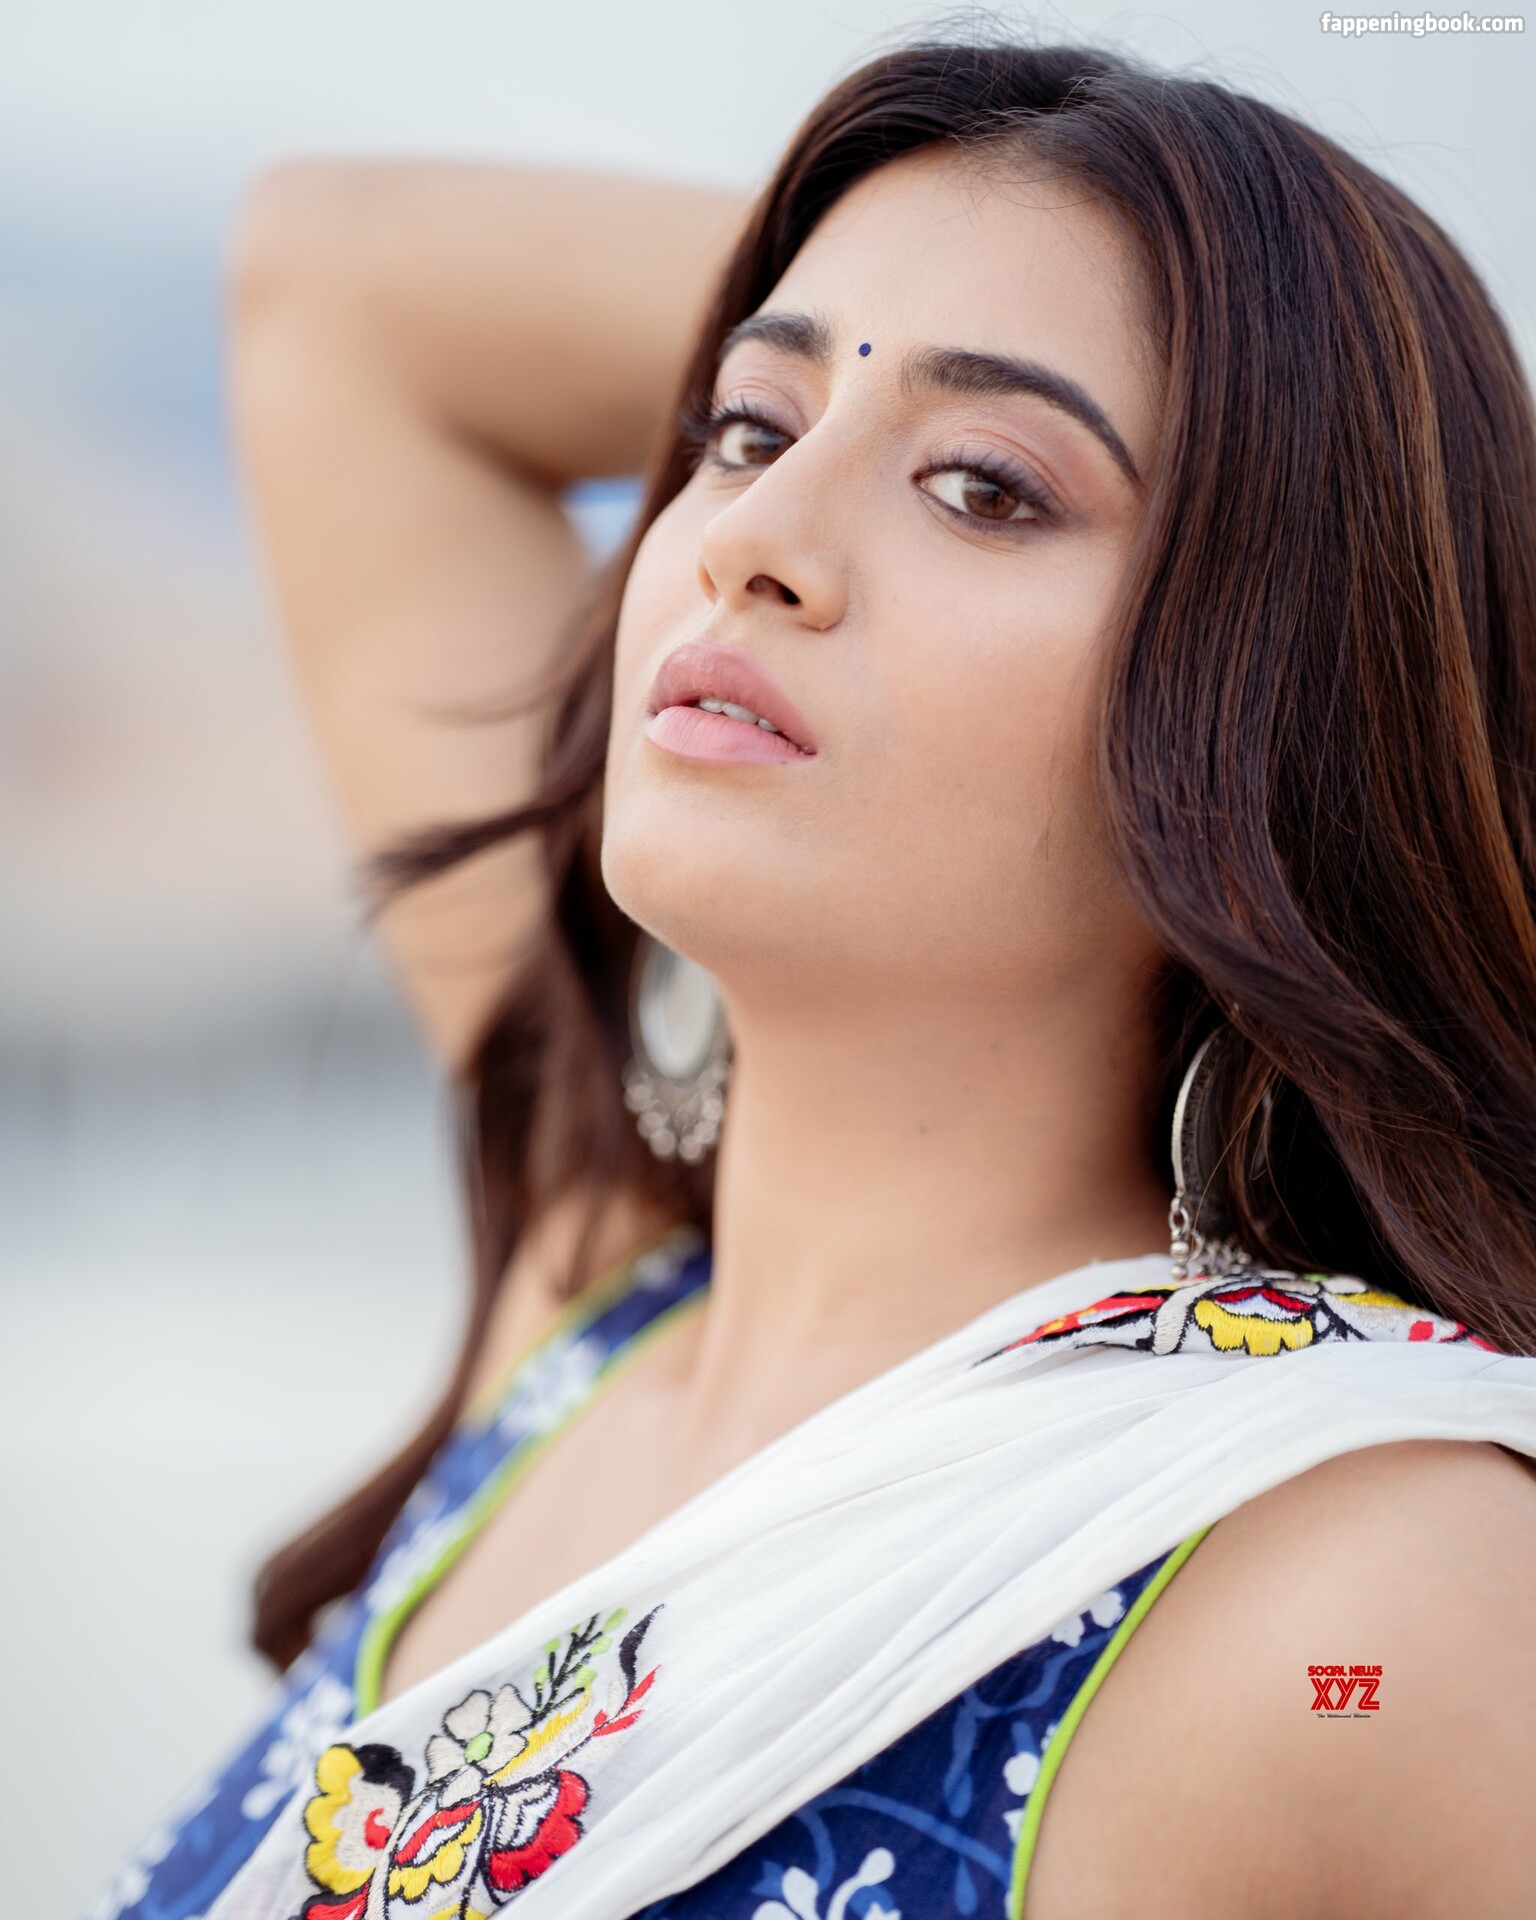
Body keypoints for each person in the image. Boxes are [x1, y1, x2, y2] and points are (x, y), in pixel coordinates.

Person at [87, 27, 1536, 1920]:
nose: (750, 543)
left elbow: (342, 287)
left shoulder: (1363, 1600)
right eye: (747, 429)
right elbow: (328, 267)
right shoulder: (590, 1313)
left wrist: (1348, 420)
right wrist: (999, 255)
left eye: (985, 487)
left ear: (1277, 713)